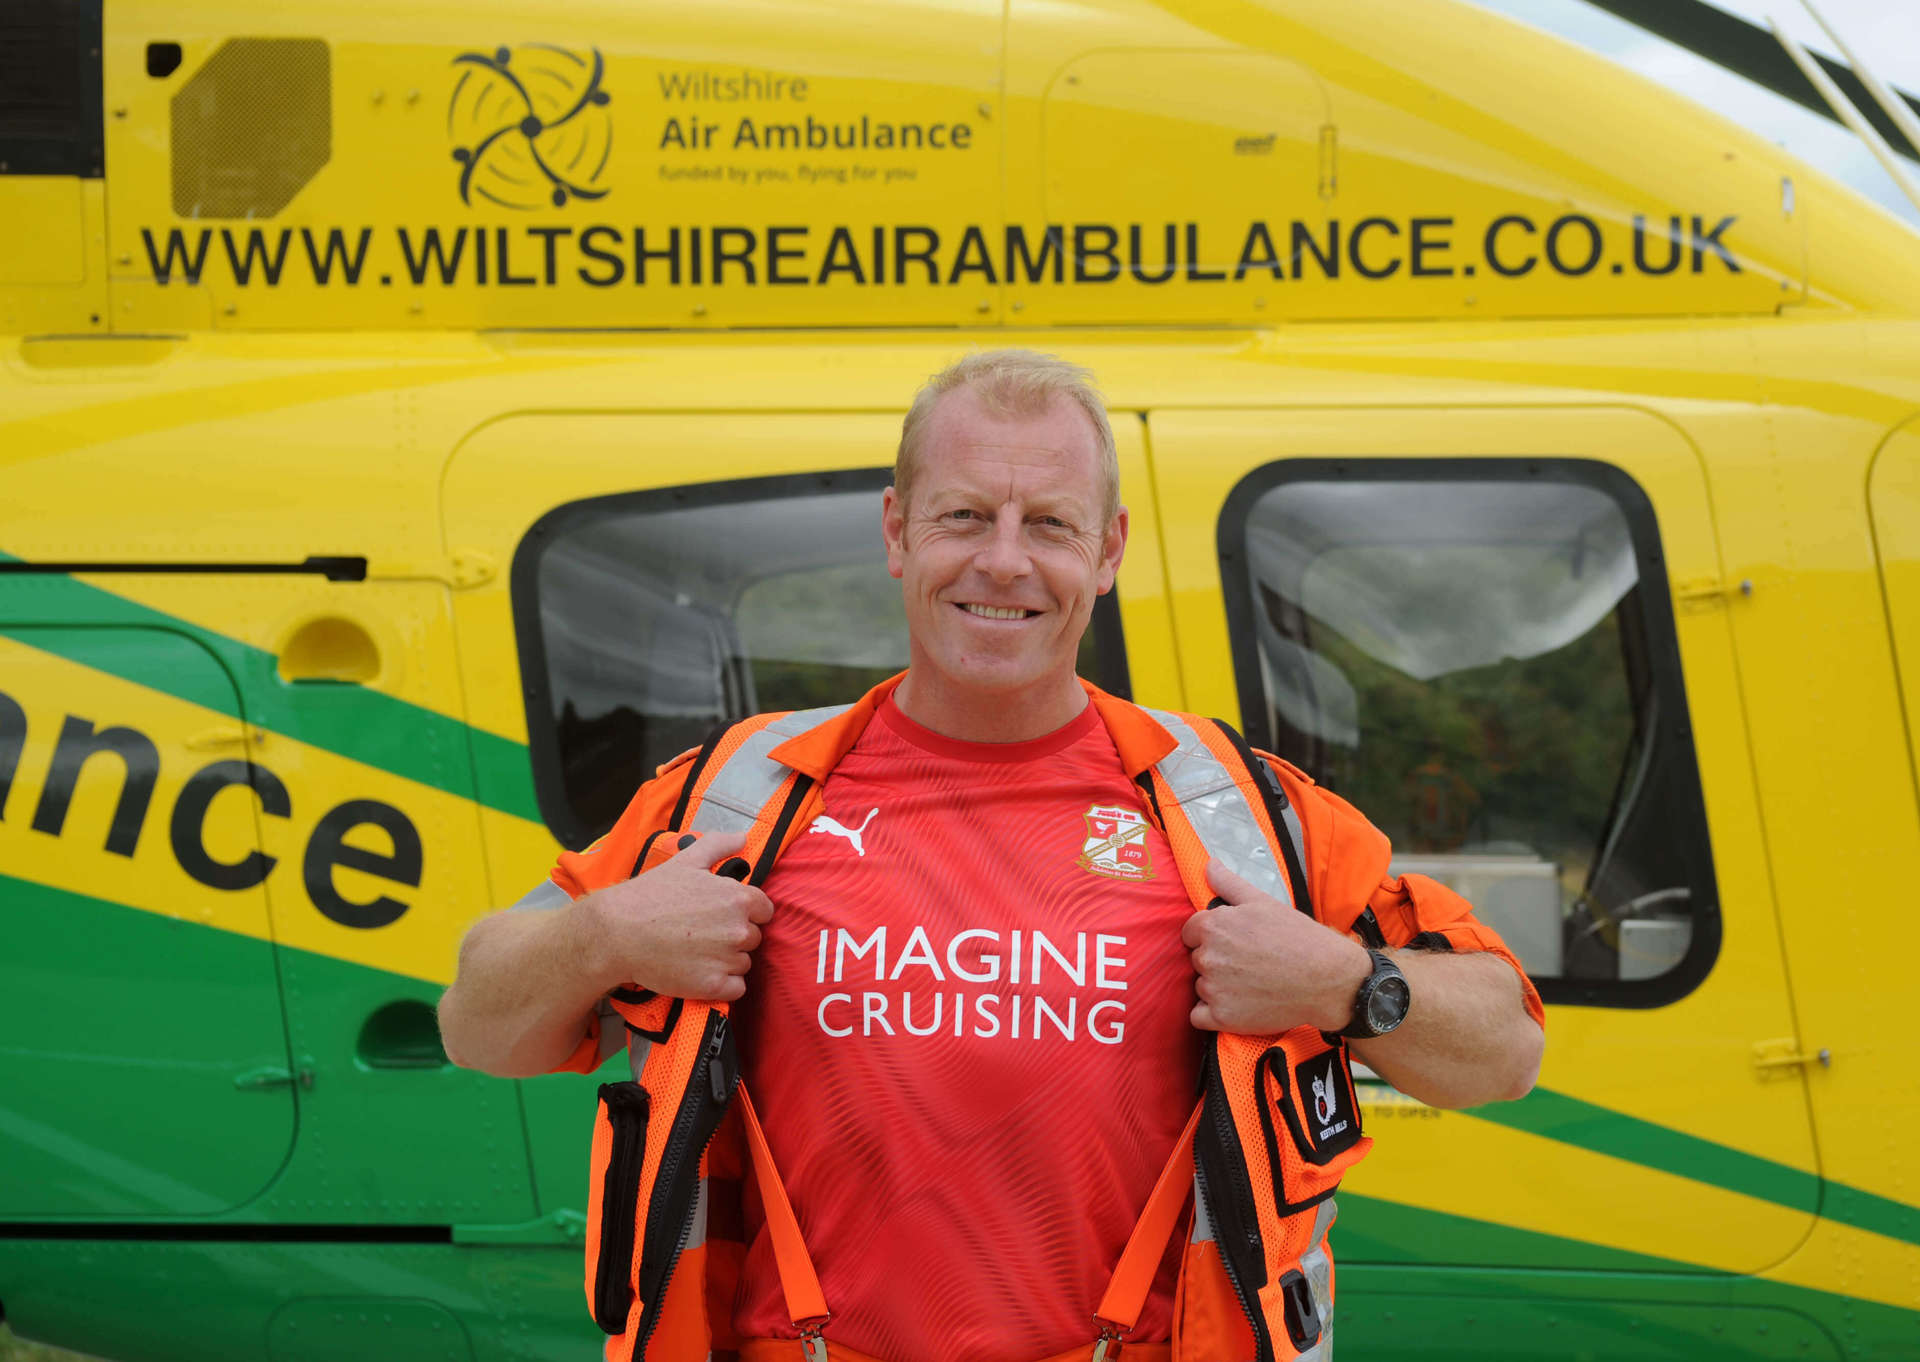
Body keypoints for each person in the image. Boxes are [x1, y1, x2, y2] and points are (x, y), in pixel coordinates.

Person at [438, 349, 1545, 1362]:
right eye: (965, 514)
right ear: (895, 531)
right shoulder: (739, 796)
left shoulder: (1234, 814)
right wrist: (605, 933)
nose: (1004, 562)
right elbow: (478, 1023)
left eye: (1050, 525)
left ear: (1107, 551)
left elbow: (1505, 1050)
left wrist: (1350, 985)